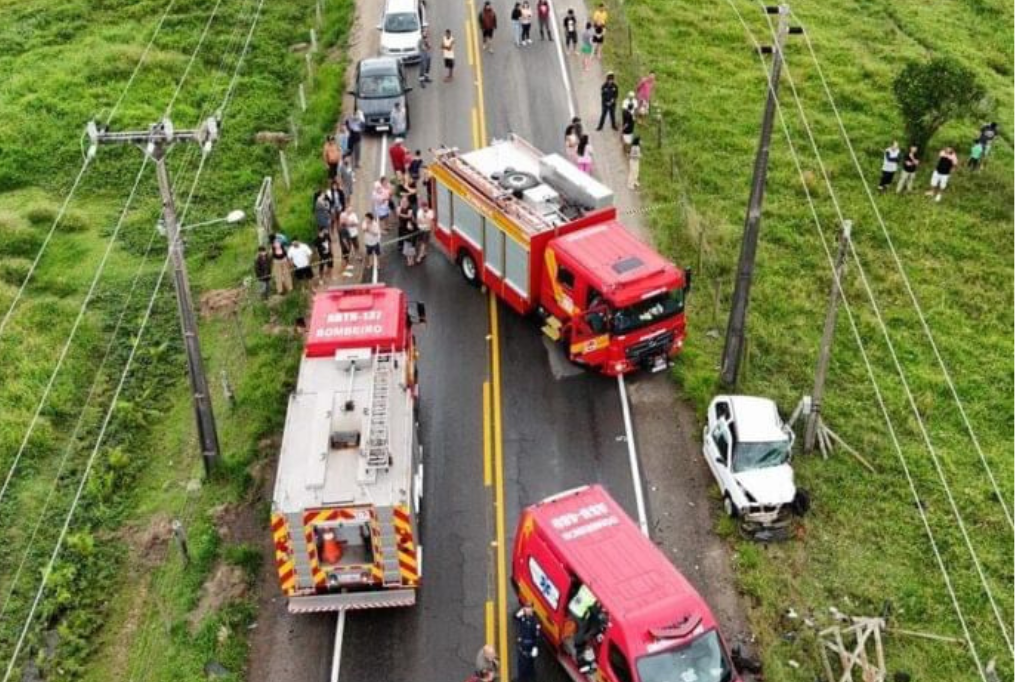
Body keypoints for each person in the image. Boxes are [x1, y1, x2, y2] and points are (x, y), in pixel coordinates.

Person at [514, 605, 541, 682]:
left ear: (532, 609)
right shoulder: (523, 617)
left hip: (529, 648)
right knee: (521, 668)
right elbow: (515, 618)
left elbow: (537, 635)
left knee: (528, 668)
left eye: (529, 608)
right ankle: (521, 679)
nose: (527, 610)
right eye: (525, 608)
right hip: (522, 647)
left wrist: (535, 647)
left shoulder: (535, 622)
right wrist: (517, 614)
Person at [396, 196, 417, 266]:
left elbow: (409, 216)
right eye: (402, 201)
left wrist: (401, 214)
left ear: (408, 202)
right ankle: (408, 259)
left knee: (412, 244)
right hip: (403, 227)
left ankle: (412, 259)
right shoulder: (399, 207)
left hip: (410, 226)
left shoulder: (410, 208)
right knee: (406, 243)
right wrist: (401, 210)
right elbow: (398, 213)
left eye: (405, 201)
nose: (404, 203)